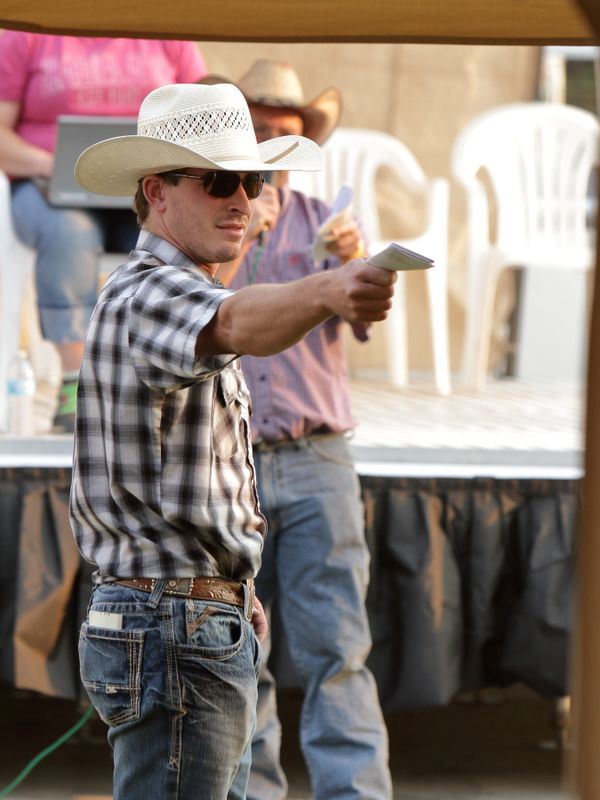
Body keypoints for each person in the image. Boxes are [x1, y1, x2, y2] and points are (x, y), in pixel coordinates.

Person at [69, 81, 396, 800]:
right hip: (173, 621)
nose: (242, 198)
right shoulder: (149, 289)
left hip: (185, 612)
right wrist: (329, 289)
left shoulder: (168, 284)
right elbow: (236, 323)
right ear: (156, 192)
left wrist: (231, 585)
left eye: (251, 179)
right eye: (219, 181)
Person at [218, 60, 393, 800]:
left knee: (338, 651)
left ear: (299, 141)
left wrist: (356, 266)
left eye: (282, 134)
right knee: (235, 654)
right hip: (233, 464)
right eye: (256, 133)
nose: (269, 145)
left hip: (319, 453)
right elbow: (186, 319)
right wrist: (238, 240)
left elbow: (365, 325)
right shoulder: (213, 224)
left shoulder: (329, 220)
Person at [0, 31, 207, 430]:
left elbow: (199, 118)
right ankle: (74, 383)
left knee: (172, 240)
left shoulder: (166, 29)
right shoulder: (27, 30)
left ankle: (160, 374)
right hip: (48, 187)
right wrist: (55, 167)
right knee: (69, 234)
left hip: (142, 189)